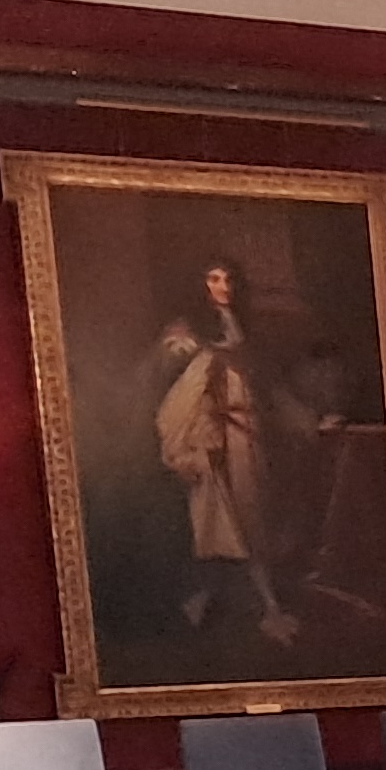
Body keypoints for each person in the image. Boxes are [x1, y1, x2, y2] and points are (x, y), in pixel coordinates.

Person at [147, 260, 296, 646]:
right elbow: (176, 393)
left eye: (229, 278)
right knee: (226, 522)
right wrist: (197, 441)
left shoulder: (245, 330)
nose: (223, 285)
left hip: (250, 435)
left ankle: (248, 604)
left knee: (253, 517)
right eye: (213, 277)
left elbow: (265, 384)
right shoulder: (186, 334)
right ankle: (264, 606)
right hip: (214, 439)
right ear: (200, 283)